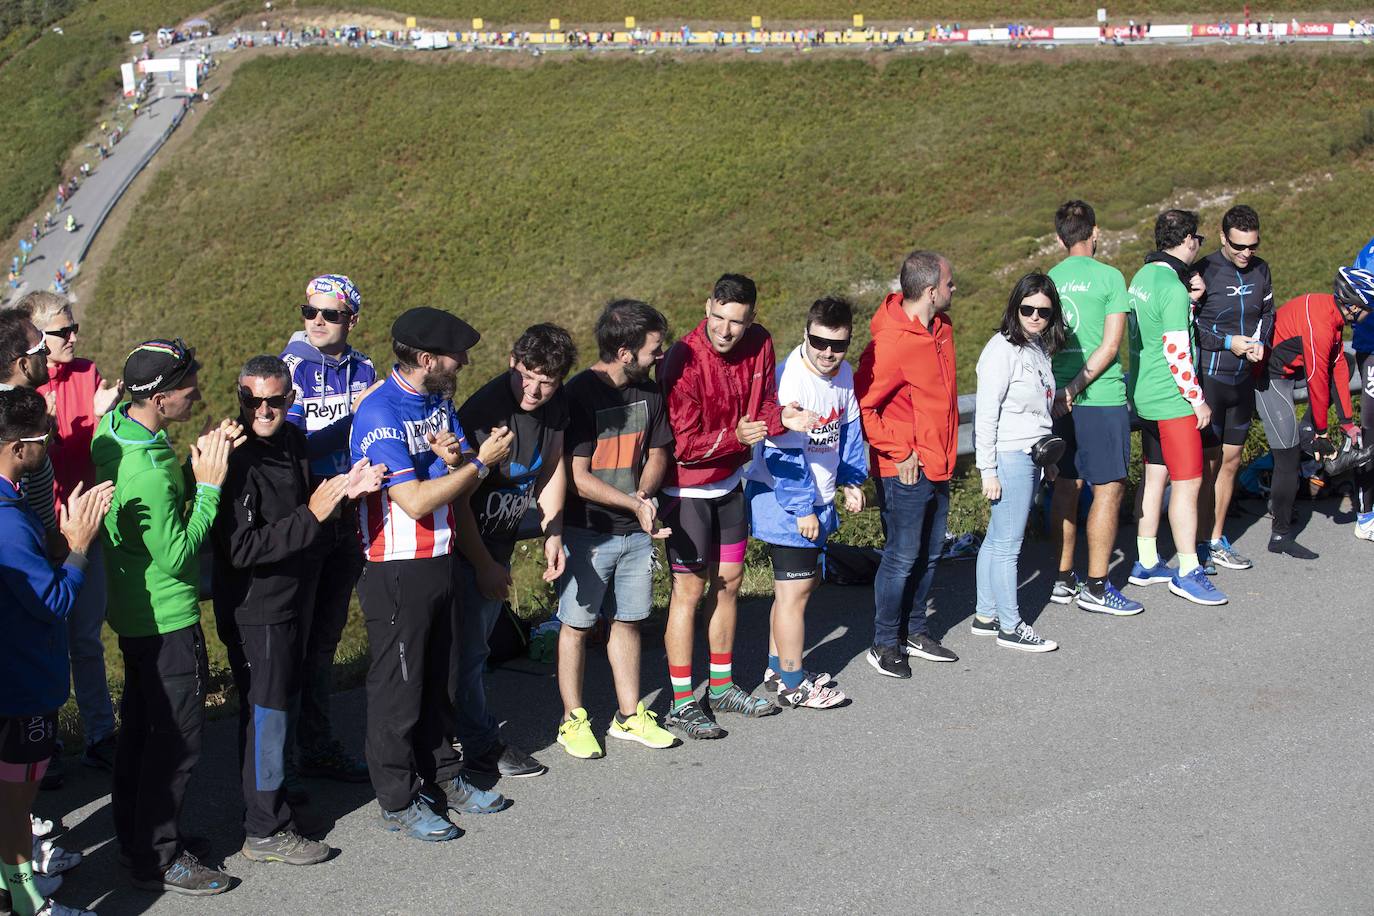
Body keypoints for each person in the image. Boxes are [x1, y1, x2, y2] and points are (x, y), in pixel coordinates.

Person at [349, 307, 512, 842]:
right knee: (399, 690)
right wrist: (478, 464)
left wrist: (459, 460)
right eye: (455, 354)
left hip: (441, 558)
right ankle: (397, 799)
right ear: (425, 359)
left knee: (438, 682)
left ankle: (445, 776)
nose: (464, 361)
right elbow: (415, 501)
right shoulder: (379, 412)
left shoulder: (437, 399)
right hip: (397, 567)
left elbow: (454, 478)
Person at [212, 356, 381, 866]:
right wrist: (314, 514)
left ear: (291, 399)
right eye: (251, 400)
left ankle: (275, 798)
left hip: (293, 600)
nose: (263, 409)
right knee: (265, 714)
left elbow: (309, 504)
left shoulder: (291, 440)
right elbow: (240, 548)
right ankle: (265, 828)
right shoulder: (234, 457)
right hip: (258, 610)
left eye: (275, 400)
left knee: (280, 707)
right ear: (239, 398)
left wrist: (345, 494)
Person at [92, 338, 241, 895]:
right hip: (166, 620)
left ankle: (137, 838)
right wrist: (208, 486)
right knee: (176, 742)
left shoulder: (114, 431)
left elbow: (148, 510)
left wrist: (191, 461)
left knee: (140, 734)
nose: (198, 391)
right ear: (158, 397)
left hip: (132, 614)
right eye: (188, 386)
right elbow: (177, 554)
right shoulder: (147, 473)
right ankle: (158, 856)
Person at [659, 274, 816, 737]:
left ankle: (723, 686)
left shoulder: (761, 343)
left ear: (751, 320)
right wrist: (736, 436)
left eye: (736, 323)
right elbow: (684, 445)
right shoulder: (681, 359)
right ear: (707, 306)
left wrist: (781, 417)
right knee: (689, 593)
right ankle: (682, 700)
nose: (725, 331)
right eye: (719, 318)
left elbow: (765, 405)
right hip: (685, 491)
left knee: (729, 583)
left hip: (730, 484)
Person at [0, 387, 111, 916]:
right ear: (20, 447)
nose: (51, 446)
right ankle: (27, 905)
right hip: (22, 687)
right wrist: (81, 545)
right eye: (45, 438)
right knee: (14, 807)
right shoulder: (8, 519)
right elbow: (53, 601)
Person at [554, 300, 677, 760]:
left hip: (634, 529)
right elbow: (578, 476)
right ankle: (572, 721)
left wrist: (643, 496)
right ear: (625, 352)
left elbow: (659, 452)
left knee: (628, 621)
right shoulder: (581, 395)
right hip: (588, 532)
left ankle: (629, 716)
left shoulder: (651, 392)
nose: (659, 356)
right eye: (653, 349)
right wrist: (635, 504)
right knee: (577, 626)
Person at [452, 324, 576, 777]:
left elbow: (553, 468)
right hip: (463, 547)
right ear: (512, 361)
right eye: (528, 375)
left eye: (548, 381)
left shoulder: (554, 404)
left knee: (475, 649)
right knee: (466, 653)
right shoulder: (484, 413)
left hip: (500, 541)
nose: (535, 390)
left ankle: (462, 735)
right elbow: (458, 498)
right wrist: (482, 564)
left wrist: (553, 531)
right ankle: (477, 743)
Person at [15, 293, 124, 773]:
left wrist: (103, 416)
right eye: (62, 331)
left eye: (72, 327)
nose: (73, 337)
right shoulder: (24, 391)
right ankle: (46, 742)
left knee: (86, 639)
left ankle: (101, 733)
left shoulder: (86, 373)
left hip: (86, 524)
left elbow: (100, 447)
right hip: (41, 530)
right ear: (37, 338)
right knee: (44, 642)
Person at [745, 296, 865, 707]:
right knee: (794, 593)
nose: (829, 353)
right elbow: (781, 453)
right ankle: (795, 684)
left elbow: (847, 431)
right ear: (805, 334)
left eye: (839, 345)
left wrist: (850, 479)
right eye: (820, 343)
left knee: (796, 590)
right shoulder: (790, 380)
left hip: (820, 496)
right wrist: (802, 509)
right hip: (788, 502)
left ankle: (778, 671)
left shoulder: (844, 374)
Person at [280, 274, 376, 783]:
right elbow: (294, 447)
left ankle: (315, 745)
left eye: (330, 314)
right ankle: (285, 758)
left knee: (325, 640)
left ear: (351, 320)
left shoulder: (365, 367)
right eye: (309, 311)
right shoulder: (289, 367)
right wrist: (351, 420)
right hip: (309, 517)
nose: (317, 321)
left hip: (350, 519)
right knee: (296, 641)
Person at [855, 250, 961, 678]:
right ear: (932, 291)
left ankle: (915, 631)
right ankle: (884, 642)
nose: (956, 290)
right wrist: (901, 452)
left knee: (930, 554)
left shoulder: (942, 329)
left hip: (940, 462)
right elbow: (864, 408)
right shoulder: (890, 343)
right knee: (901, 557)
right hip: (905, 469)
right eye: (950, 284)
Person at [1045, 201, 1143, 616]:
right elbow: (1110, 346)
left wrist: (1058, 392)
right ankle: (1098, 587)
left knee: (1066, 486)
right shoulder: (1110, 277)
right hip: (1098, 398)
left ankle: (1063, 578)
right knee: (1108, 486)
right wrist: (1077, 387)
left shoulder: (1049, 279)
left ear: (1059, 238)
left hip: (1056, 401)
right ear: (1095, 232)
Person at [1125, 210, 1228, 605]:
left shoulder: (1143, 278)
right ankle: (1187, 570)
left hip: (1145, 395)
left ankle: (1147, 561)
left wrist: (1191, 303)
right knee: (1187, 484)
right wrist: (1197, 400)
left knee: (1155, 478)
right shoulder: (1170, 285)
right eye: (1197, 239)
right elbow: (1176, 350)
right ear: (1187, 239)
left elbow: (1148, 334)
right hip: (1172, 399)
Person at [973, 273, 1063, 653]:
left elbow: (1038, 408)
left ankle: (986, 614)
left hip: (1031, 453)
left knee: (997, 538)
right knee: (1009, 545)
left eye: (1044, 311)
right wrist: (987, 469)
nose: (1036, 317)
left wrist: (1049, 462)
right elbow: (986, 413)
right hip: (1009, 456)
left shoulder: (1037, 348)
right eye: (1028, 309)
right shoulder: (1002, 350)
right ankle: (1010, 626)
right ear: (1015, 307)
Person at [1256, 267, 1373, 557]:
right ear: (1354, 305)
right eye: (1370, 308)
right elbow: (1317, 380)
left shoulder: (1332, 316)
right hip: (1269, 377)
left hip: (1292, 368)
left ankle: (1313, 438)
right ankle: (1279, 536)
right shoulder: (1321, 326)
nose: (1371, 314)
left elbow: (1338, 367)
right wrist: (1322, 430)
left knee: (1341, 363)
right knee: (1288, 456)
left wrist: (1347, 423)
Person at [1192, 205, 1273, 572]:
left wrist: (1261, 343)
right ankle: (1196, 543)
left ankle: (1216, 539)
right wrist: (1229, 344)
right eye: (1239, 246)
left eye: (1252, 246)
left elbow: (1268, 314)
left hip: (1243, 380)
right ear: (1223, 238)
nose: (1246, 254)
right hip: (1212, 378)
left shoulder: (1261, 269)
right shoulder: (1204, 269)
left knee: (1231, 463)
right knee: (1207, 467)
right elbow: (1192, 329)